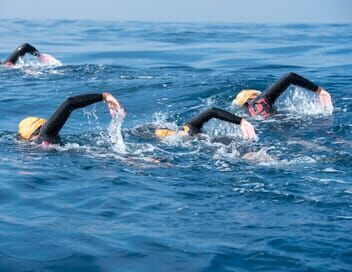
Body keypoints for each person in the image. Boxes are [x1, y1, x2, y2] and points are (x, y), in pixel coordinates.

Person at [18, 92, 126, 145]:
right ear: (41, 126)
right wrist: (103, 96)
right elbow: (69, 103)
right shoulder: (45, 133)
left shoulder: (30, 146)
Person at [233, 72, 333, 119]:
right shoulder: (262, 98)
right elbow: (289, 77)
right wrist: (319, 91)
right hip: (285, 120)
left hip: (272, 128)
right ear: (251, 97)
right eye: (256, 94)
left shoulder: (245, 113)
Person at [155, 107, 256, 140]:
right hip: (227, 146)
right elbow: (212, 111)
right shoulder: (190, 127)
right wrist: (241, 121)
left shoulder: (186, 136)